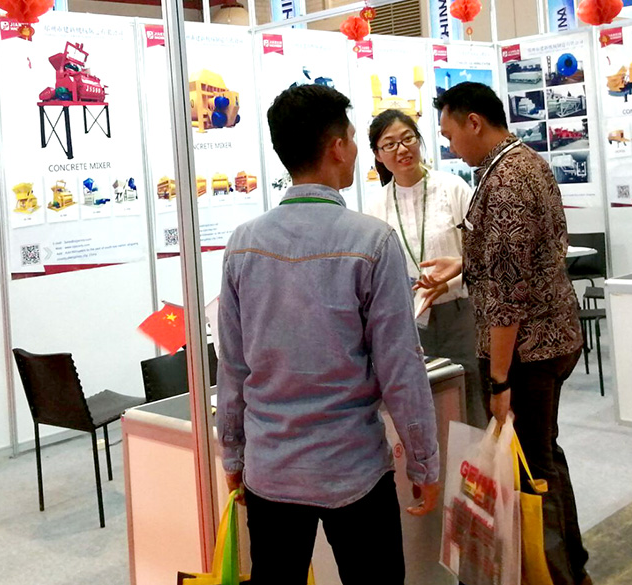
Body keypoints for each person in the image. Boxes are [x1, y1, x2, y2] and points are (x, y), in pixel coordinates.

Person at [216, 85, 441, 585]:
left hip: (271, 469)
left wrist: (232, 451)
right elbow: (401, 368)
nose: (358, 149)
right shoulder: (372, 241)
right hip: (354, 468)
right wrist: (423, 461)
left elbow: (232, 365)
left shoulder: (243, 244)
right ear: (337, 147)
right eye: (354, 138)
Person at [417, 82, 590, 585]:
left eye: (450, 134)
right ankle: (572, 566)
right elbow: (517, 255)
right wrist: (462, 264)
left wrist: (498, 381)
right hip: (549, 338)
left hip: (529, 351)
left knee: (533, 472)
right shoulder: (520, 163)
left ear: (474, 122)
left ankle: (557, 575)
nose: (450, 145)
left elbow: (509, 295)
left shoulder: (507, 180)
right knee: (544, 457)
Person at [366, 109, 489, 429]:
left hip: (461, 313)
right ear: (378, 155)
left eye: (408, 138)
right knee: (425, 404)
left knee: (471, 399)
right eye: (390, 144)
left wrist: (449, 284)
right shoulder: (377, 206)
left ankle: (477, 461)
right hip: (408, 320)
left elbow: (483, 253)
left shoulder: (453, 188)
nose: (402, 149)